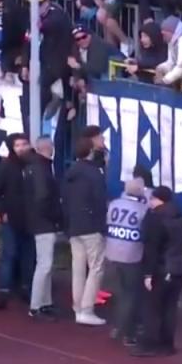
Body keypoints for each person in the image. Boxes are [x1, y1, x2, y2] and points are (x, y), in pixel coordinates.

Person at [132, 186, 182, 358]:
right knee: (170, 307)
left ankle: (149, 344)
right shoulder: (179, 218)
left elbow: (152, 249)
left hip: (162, 268)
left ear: (158, 199)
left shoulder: (156, 219)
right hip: (177, 267)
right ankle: (167, 344)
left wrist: (147, 274)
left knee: (152, 307)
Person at [63, 137, 108, 326]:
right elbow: (99, 200)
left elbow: (64, 199)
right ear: (90, 150)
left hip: (74, 225)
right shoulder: (94, 174)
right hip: (91, 226)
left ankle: (77, 306)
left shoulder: (70, 172)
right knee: (96, 267)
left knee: (78, 268)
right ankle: (87, 309)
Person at [0, 133, 34, 310]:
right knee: (10, 254)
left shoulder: (33, 164)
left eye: (25, 144)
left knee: (28, 255)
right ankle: (3, 290)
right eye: (18, 145)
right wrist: (2, 211)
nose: (22, 148)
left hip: (31, 217)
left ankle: (26, 287)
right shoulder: (6, 166)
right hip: (12, 217)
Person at [104, 177, 149, 345]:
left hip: (112, 253)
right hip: (132, 256)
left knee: (120, 292)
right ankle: (127, 332)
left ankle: (117, 326)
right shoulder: (142, 210)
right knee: (131, 294)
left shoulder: (114, 204)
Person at [24, 135, 62, 321]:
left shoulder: (34, 167)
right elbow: (43, 197)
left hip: (38, 221)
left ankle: (45, 302)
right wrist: (55, 217)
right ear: (49, 148)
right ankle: (36, 305)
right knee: (44, 265)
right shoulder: (42, 169)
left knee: (45, 264)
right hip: (44, 222)